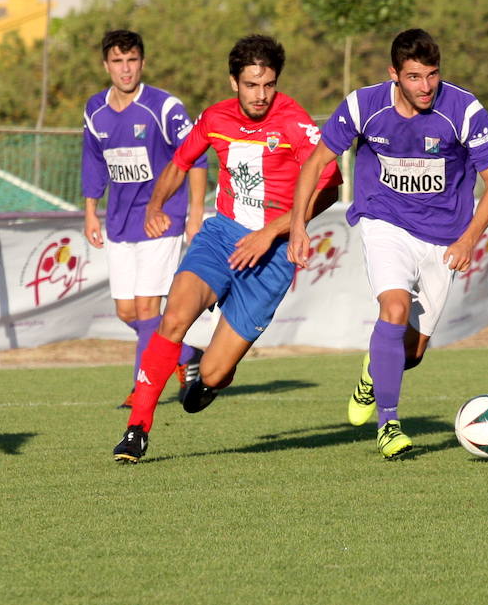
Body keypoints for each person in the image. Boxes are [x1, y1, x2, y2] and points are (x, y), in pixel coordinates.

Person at [112, 34, 342, 463]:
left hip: (271, 257)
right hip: (221, 237)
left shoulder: (294, 122)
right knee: (175, 316)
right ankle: (137, 429)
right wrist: (156, 204)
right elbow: (180, 163)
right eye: (252, 85)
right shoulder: (215, 118)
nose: (260, 95)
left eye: (268, 85)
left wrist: (276, 231)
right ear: (234, 81)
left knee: (216, 371)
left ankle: (211, 381)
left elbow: (330, 186)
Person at [288, 28, 488, 459]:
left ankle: (374, 373)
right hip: (383, 219)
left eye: (432, 75)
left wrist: (468, 240)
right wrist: (298, 223)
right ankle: (389, 425)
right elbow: (317, 162)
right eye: (413, 77)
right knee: (393, 308)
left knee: (414, 351)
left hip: (444, 237)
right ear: (394, 74)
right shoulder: (362, 106)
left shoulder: (463, 110)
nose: (425, 87)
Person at [82, 29, 208, 407]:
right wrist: (90, 211)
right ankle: (185, 353)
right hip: (119, 222)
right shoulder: (95, 110)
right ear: (106, 65)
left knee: (147, 310)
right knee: (127, 312)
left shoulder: (165, 107)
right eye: (118, 61)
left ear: (142, 62)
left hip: (161, 218)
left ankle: (141, 392)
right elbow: (92, 160)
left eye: (132, 60)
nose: (126, 69)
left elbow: (197, 156)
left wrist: (195, 213)